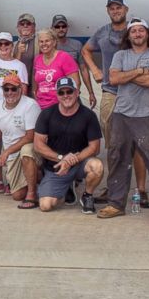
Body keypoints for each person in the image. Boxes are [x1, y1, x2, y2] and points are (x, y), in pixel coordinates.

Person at [97, 18, 149, 226]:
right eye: (134, 31)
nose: (138, 34)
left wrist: (127, 75)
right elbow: (113, 80)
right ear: (128, 35)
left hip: (145, 115)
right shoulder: (120, 55)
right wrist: (140, 71)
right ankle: (116, 203)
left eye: (141, 31)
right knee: (117, 158)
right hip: (121, 114)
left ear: (147, 34)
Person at [83, 0, 149, 206]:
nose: (115, 11)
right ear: (107, 11)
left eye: (118, 7)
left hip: (135, 93)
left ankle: (141, 190)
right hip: (111, 93)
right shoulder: (102, 32)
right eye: (111, 8)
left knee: (139, 145)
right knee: (114, 145)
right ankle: (114, 187)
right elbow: (86, 50)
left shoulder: (135, 30)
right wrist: (95, 69)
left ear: (126, 9)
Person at [33, 77, 104, 213]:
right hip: (56, 165)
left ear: (77, 92)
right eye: (61, 93)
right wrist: (62, 158)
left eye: (69, 91)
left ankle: (87, 195)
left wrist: (72, 160)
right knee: (45, 206)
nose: (66, 96)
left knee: (97, 166)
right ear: (57, 95)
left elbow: (95, 147)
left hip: (79, 163)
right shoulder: (47, 114)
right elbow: (38, 145)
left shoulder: (89, 116)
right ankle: (65, 189)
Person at [0, 73, 42, 208]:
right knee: (17, 195)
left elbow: (30, 136)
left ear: (21, 89)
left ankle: (32, 194)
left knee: (26, 150)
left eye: (14, 89)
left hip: (29, 148)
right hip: (12, 154)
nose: (10, 92)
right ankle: (39, 178)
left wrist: (6, 152)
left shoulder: (30, 105)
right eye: (6, 89)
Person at [52, 14, 96, 108]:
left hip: (72, 92)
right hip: (53, 94)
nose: (61, 29)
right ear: (52, 28)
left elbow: (83, 69)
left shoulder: (76, 45)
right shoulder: (49, 46)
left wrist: (91, 92)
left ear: (67, 27)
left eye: (63, 26)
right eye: (57, 27)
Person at [33, 28, 80, 109]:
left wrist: (69, 104)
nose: (44, 44)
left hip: (60, 106)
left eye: (47, 41)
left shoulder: (64, 57)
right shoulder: (37, 59)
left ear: (54, 42)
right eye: (41, 41)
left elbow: (76, 83)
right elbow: (36, 83)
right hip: (40, 106)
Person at [0, 32, 28, 98]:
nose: (3, 46)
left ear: (12, 46)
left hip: (8, 106)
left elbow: (23, 92)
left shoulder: (21, 66)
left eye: (6, 43)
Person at [13, 13, 38, 96]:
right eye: (22, 24)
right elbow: (12, 67)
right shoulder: (12, 45)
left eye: (28, 24)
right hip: (16, 88)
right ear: (18, 27)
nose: (25, 26)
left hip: (35, 89)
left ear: (34, 26)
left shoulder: (40, 43)